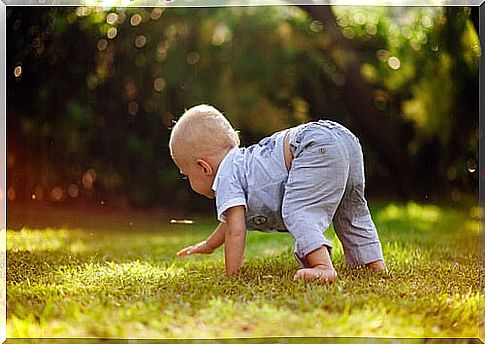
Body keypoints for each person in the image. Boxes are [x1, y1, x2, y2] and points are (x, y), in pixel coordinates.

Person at [169, 104, 385, 282]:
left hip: (311, 146)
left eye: (186, 175)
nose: (188, 181)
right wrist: (209, 245)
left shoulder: (225, 175)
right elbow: (230, 222)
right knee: (351, 209)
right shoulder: (241, 165)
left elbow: (236, 230)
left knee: (297, 210)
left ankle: (323, 268)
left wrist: (231, 276)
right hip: (343, 139)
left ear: (203, 167)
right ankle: (371, 263)